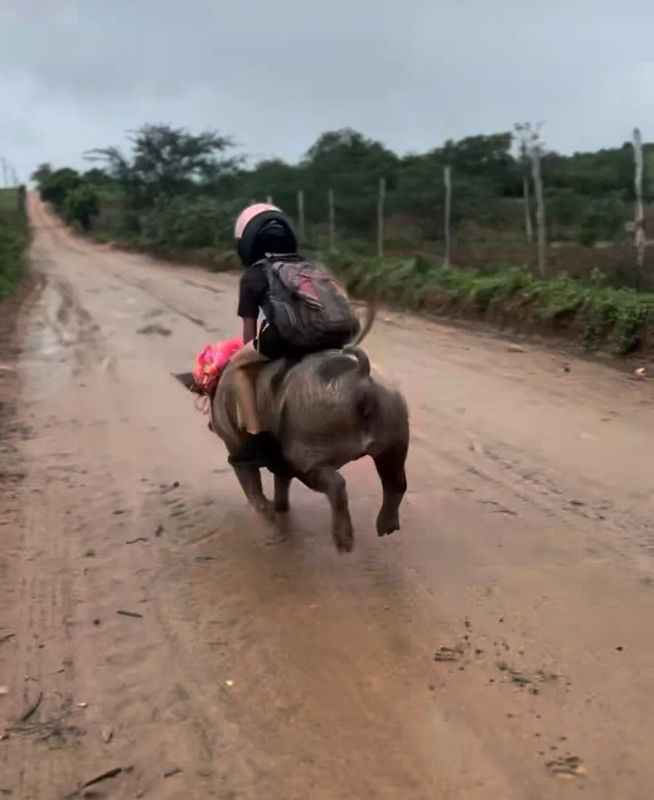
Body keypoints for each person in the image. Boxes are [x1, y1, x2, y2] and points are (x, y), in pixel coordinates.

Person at [228, 202, 356, 474]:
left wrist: (249, 353)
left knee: (239, 365)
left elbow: (249, 335)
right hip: (331, 336)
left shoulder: (253, 274)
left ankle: (257, 438)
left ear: (248, 242)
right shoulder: (310, 266)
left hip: (286, 338)